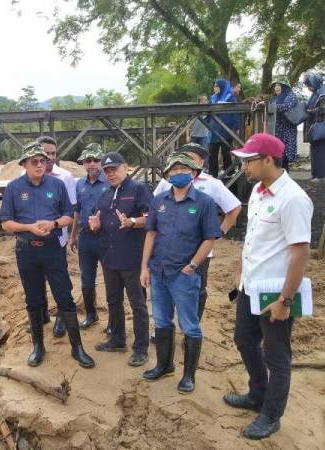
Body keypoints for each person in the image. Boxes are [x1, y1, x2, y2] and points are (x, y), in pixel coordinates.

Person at [224, 133, 312, 439]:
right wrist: (240, 270)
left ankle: (272, 415)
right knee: (244, 340)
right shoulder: (260, 192)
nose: (245, 166)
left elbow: (300, 253)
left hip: (275, 293)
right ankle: (257, 394)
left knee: (277, 356)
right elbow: (251, 239)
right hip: (251, 285)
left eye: (249, 160)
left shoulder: (294, 199)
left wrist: (285, 301)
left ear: (268, 160)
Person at [0, 142, 95, 369]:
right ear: (24, 164)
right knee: (33, 299)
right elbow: (5, 223)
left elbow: (69, 216)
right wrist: (29, 227)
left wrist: (53, 223)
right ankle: (38, 346)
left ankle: (77, 348)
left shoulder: (57, 185)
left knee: (65, 296)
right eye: (35, 161)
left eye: (43, 161)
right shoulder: (13, 188)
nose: (40, 164)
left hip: (52, 248)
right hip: (26, 250)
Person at [140, 153, 221, 393]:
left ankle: (188, 376)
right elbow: (151, 234)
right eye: (172, 171)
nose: (177, 174)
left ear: (194, 173)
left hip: (183, 275)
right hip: (158, 272)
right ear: (166, 175)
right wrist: (144, 267)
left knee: (190, 325)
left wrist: (192, 266)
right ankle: (164, 365)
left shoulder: (204, 202)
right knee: (162, 320)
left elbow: (210, 238)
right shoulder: (159, 201)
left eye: (182, 169)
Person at [154, 143, 241, 322]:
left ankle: (192, 327)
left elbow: (234, 208)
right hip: (169, 249)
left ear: (200, 163)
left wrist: (218, 233)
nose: (183, 165)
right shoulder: (166, 182)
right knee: (166, 286)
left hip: (198, 250)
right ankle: (164, 325)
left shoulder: (212, 184)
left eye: (191, 159)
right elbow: (154, 207)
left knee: (198, 289)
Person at [88, 152, 153, 367]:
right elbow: (96, 220)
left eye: (114, 169)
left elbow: (151, 218)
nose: (110, 173)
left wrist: (133, 221)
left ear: (125, 167)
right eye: (106, 171)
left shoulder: (138, 189)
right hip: (110, 258)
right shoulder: (105, 195)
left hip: (133, 259)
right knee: (113, 301)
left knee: (138, 304)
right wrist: (95, 226)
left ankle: (141, 348)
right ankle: (117, 339)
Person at [36, 135, 77, 337]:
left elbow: (69, 211)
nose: (50, 157)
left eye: (53, 153)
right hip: (32, 240)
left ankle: (62, 315)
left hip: (56, 240)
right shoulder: (23, 175)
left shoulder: (65, 177)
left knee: (59, 279)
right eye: (46, 153)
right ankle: (41, 315)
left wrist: (61, 229)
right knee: (35, 279)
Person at [69, 143, 108, 329]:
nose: (92, 164)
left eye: (96, 160)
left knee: (111, 278)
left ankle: (114, 321)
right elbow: (76, 211)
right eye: (88, 161)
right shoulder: (79, 185)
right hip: (85, 238)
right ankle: (91, 314)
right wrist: (73, 235)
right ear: (83, 163)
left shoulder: (109, 181)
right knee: (86, 278)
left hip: (106, 237)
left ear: (101, 162)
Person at [207, 79, 240, 177]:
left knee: (226, 152)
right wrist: (207, 122)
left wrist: (235, 127)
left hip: (226, 129)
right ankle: (213, 174)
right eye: (214, 86)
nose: (215, 88)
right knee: (212, 153)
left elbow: (235, 113)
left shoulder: (230, 97)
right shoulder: (212, 98)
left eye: (217, 86)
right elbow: (207, 112)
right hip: (213, 130)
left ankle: (228, 172)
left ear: (222, 87)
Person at [303, 73, 325, 181]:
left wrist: (310, 111)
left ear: (315, 82)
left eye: (309, 85)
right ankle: (315, 174)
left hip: (322, 128)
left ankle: (322, 175)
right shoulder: (316, 92)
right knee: (315, 151)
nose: (308, 88)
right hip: (315, 127)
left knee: (321, 152)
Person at [271, 81, 299, 171]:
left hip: (288, 128)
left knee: (286, 153)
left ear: (284, 87)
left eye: (279, 86)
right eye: (275, 86)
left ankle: (285, 173)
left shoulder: (291, 95)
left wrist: (272, 107)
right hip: (278, 128)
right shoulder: (275, 98)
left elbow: (287, 106)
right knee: (278, 152)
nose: (276, 88)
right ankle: (280, 172)